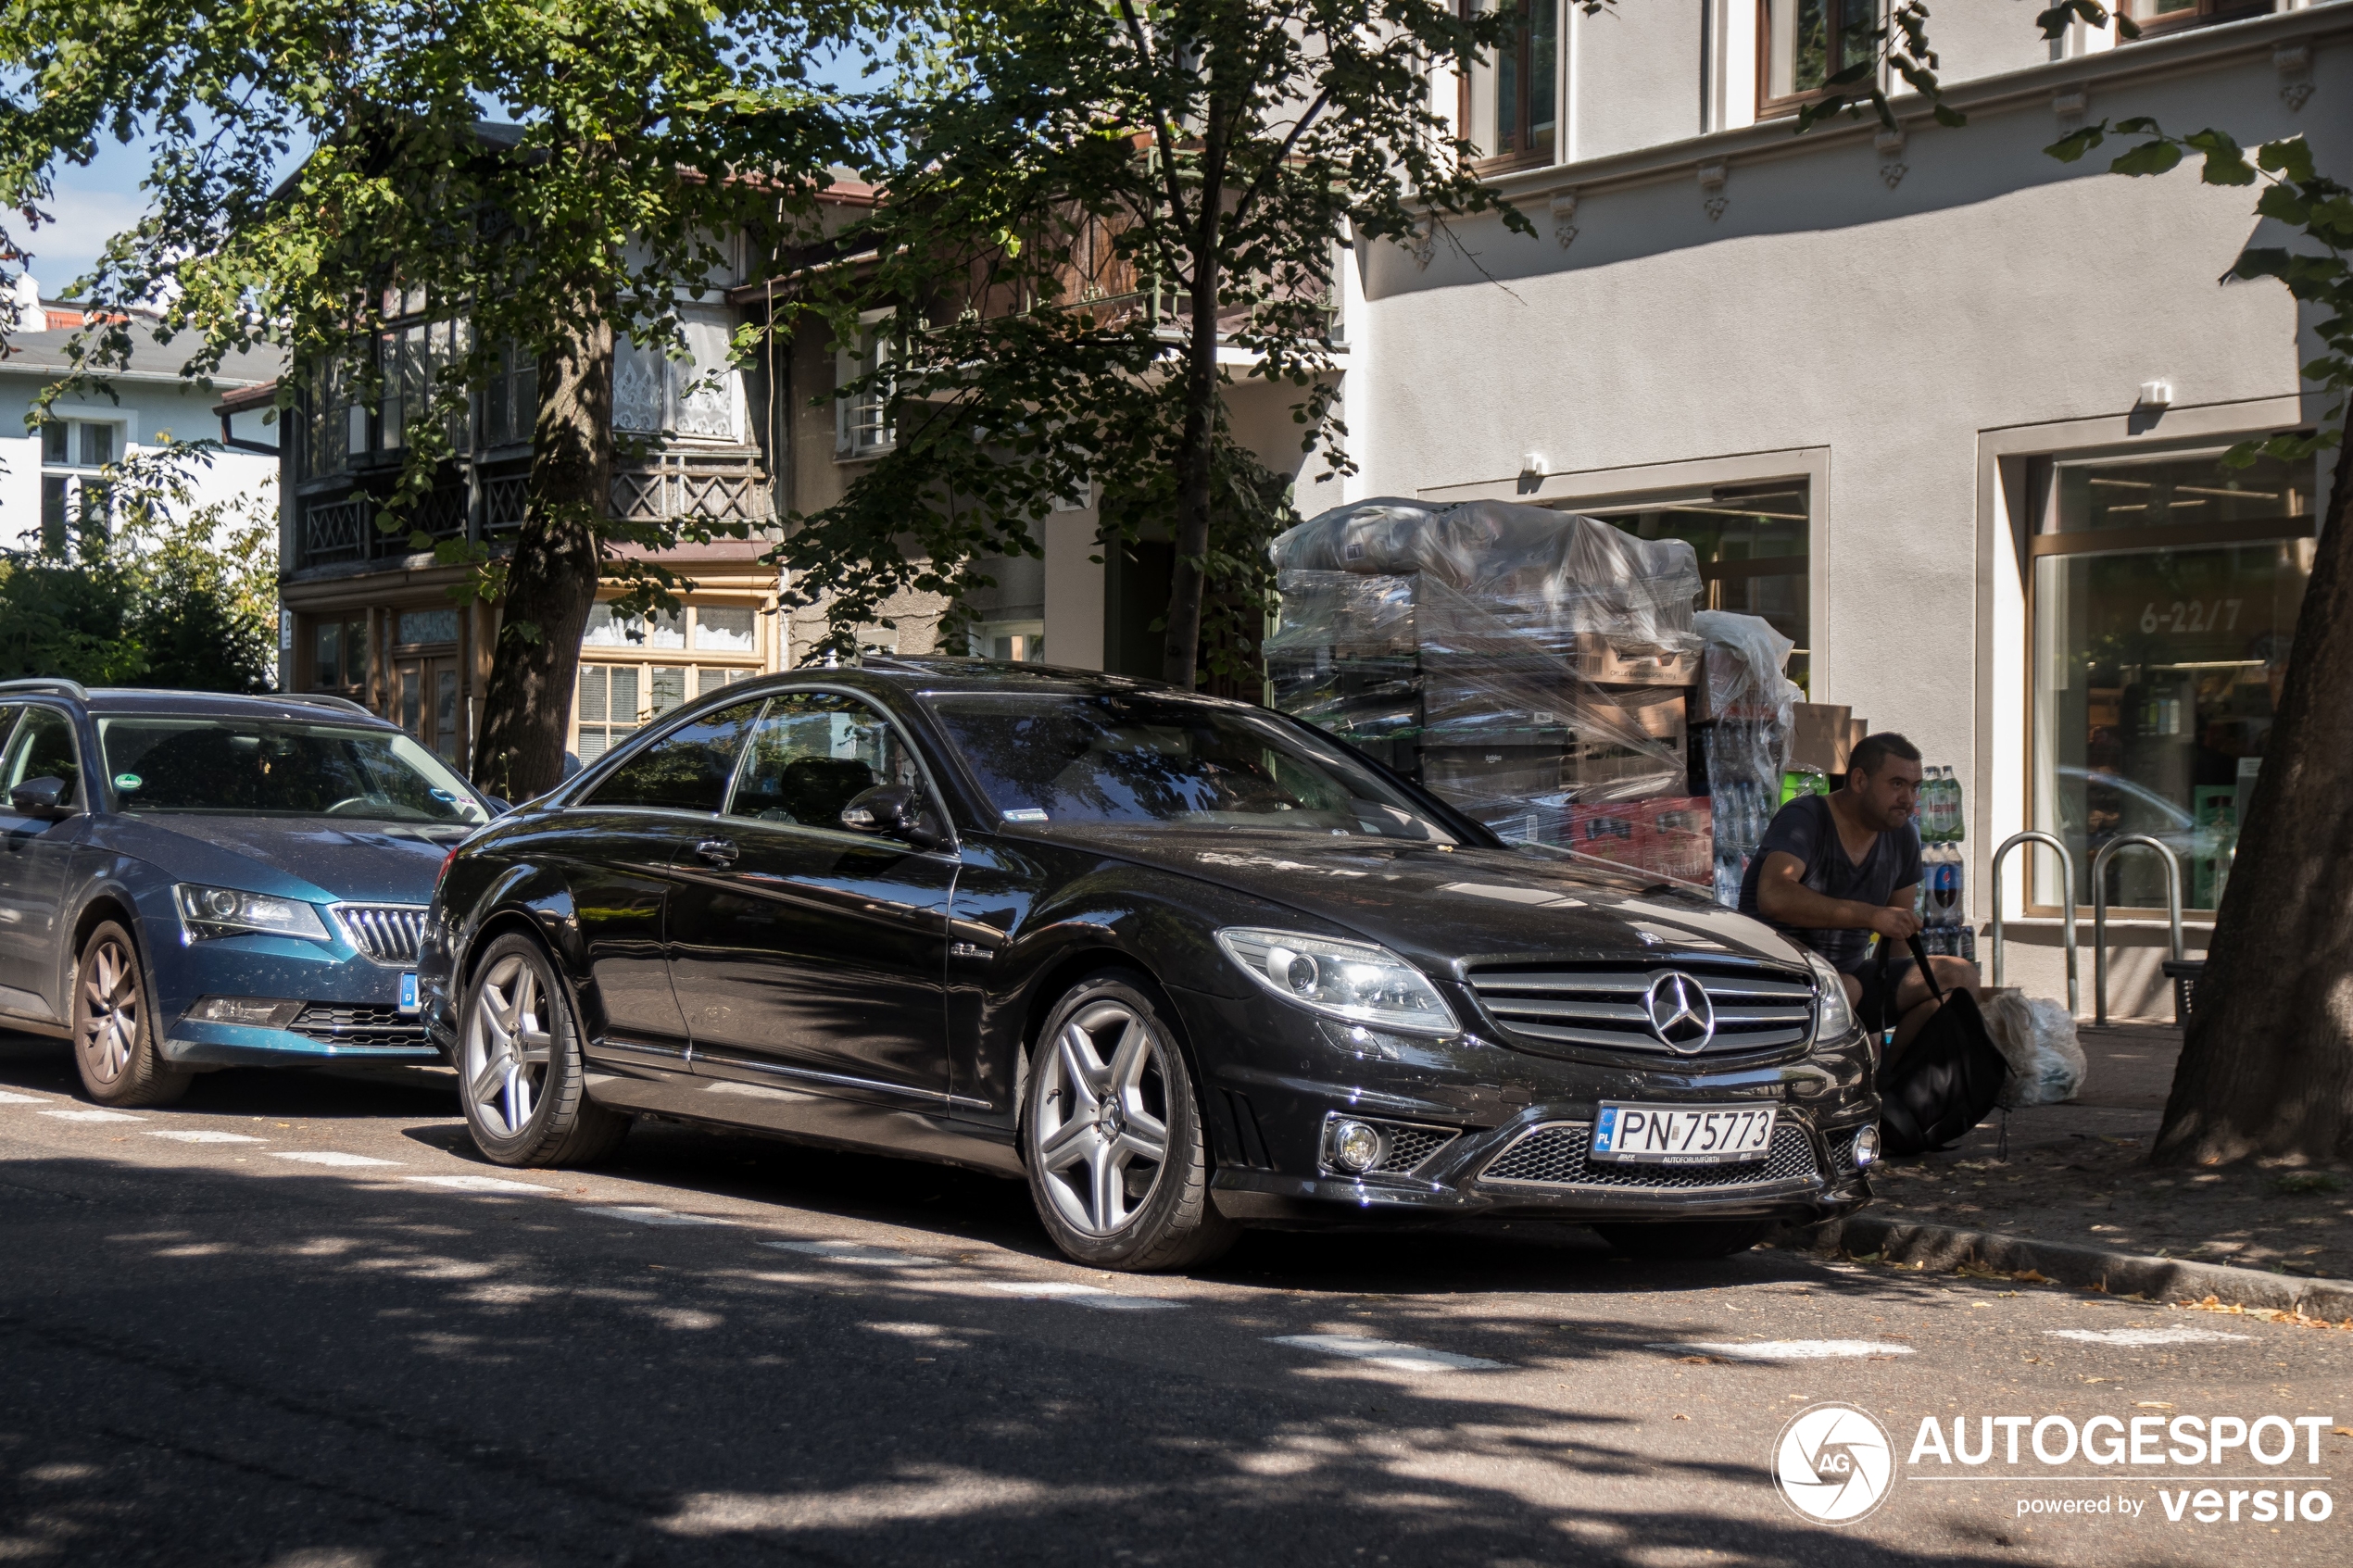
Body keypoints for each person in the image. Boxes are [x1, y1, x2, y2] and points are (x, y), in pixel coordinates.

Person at [1737, 732, 1980, 1053]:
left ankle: (1892, 1084)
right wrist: (1871, 915)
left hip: (1851, 981)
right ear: (1860, 780)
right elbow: (1775, 895)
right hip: (1778, 977)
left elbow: (1899, 936)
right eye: (1896, 784)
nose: (1908, 799)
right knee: (1846, 988)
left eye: (1914, 787)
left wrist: (1877, 1023)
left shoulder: (1902, 837)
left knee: (1959, 975)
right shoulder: (1805, 817)